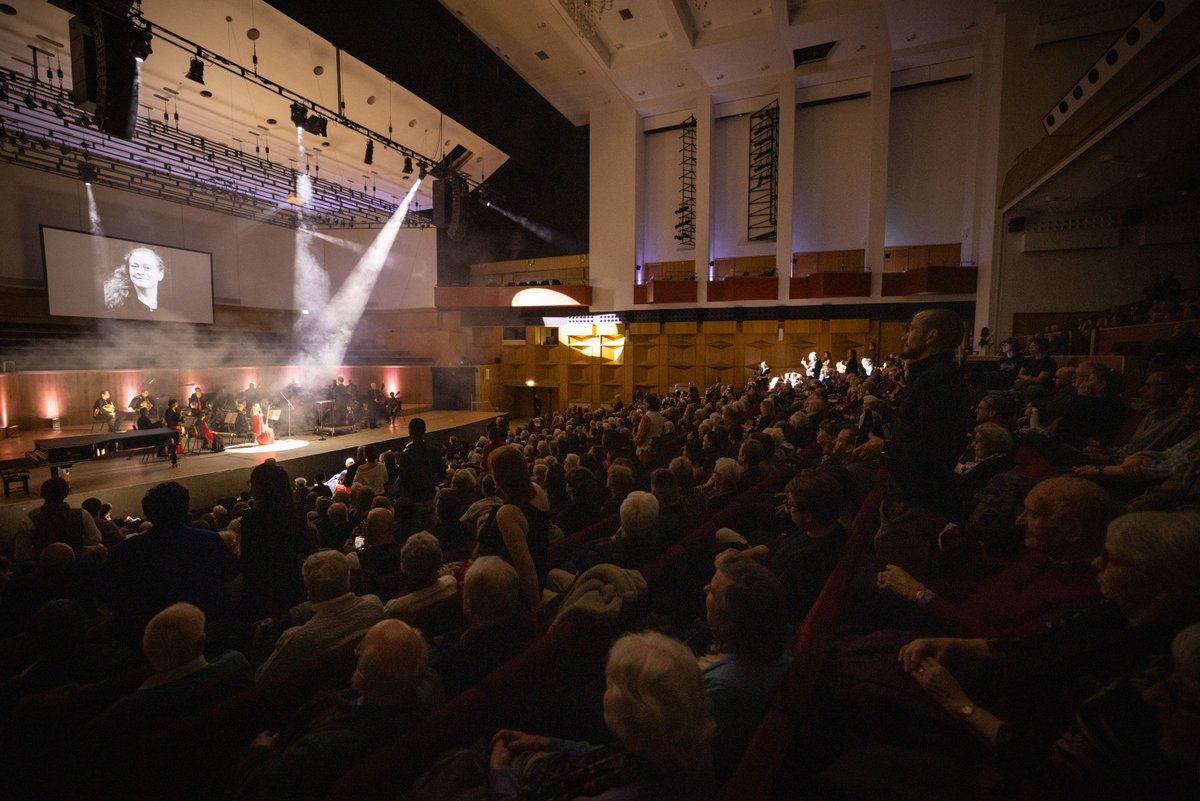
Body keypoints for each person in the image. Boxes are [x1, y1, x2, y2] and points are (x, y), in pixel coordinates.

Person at [488, 631, 714, 801]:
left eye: (610, 685)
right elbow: (607, 756)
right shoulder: (684, 748)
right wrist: (544, 742)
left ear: (634, 715)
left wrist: (499, 772)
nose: (604, 692)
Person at [236, 619, 443, 801]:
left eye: (359, 649)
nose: (357, 651)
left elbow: (263, 784)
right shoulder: (432, 686)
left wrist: (260, 752)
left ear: (362, 680)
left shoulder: (324, 746)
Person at [98, 482, 242, 647]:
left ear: (147, 513)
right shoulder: (210, 541)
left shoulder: (124, 550)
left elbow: (106, 594)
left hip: (144, 638)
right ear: (185, 510)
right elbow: (231, 573)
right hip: (206, 629)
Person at [699, 558, 792, 783]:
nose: (705, 589)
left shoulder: (724, 688)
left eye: (712, 591)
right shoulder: (776, 649)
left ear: (730, 623)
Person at [255, 551, 382, 683]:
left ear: (309, 590)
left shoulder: (297, 639)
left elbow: (262, 679)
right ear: (348, 578)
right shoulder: (374, 607)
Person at [476, 444, 551, 610]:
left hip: (518, 590)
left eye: (493, 470)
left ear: (501, 475)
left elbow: (525, 566)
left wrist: (535, 607)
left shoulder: (507, 513)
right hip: (542, 569)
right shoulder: (538, 490)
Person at [11, 476, 105, 563]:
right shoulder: (82, 514)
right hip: (76, 565)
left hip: (44, 570)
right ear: (66, 493)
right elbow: (96, 539)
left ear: (42, 494)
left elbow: (21, 555)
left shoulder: (29, 521)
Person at [103, 245, 171, 318]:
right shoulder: (119, 310)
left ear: (160, 275)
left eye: (147, 267)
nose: (140, 272)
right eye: (134, 266)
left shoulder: (169, 306)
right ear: (128, 271)